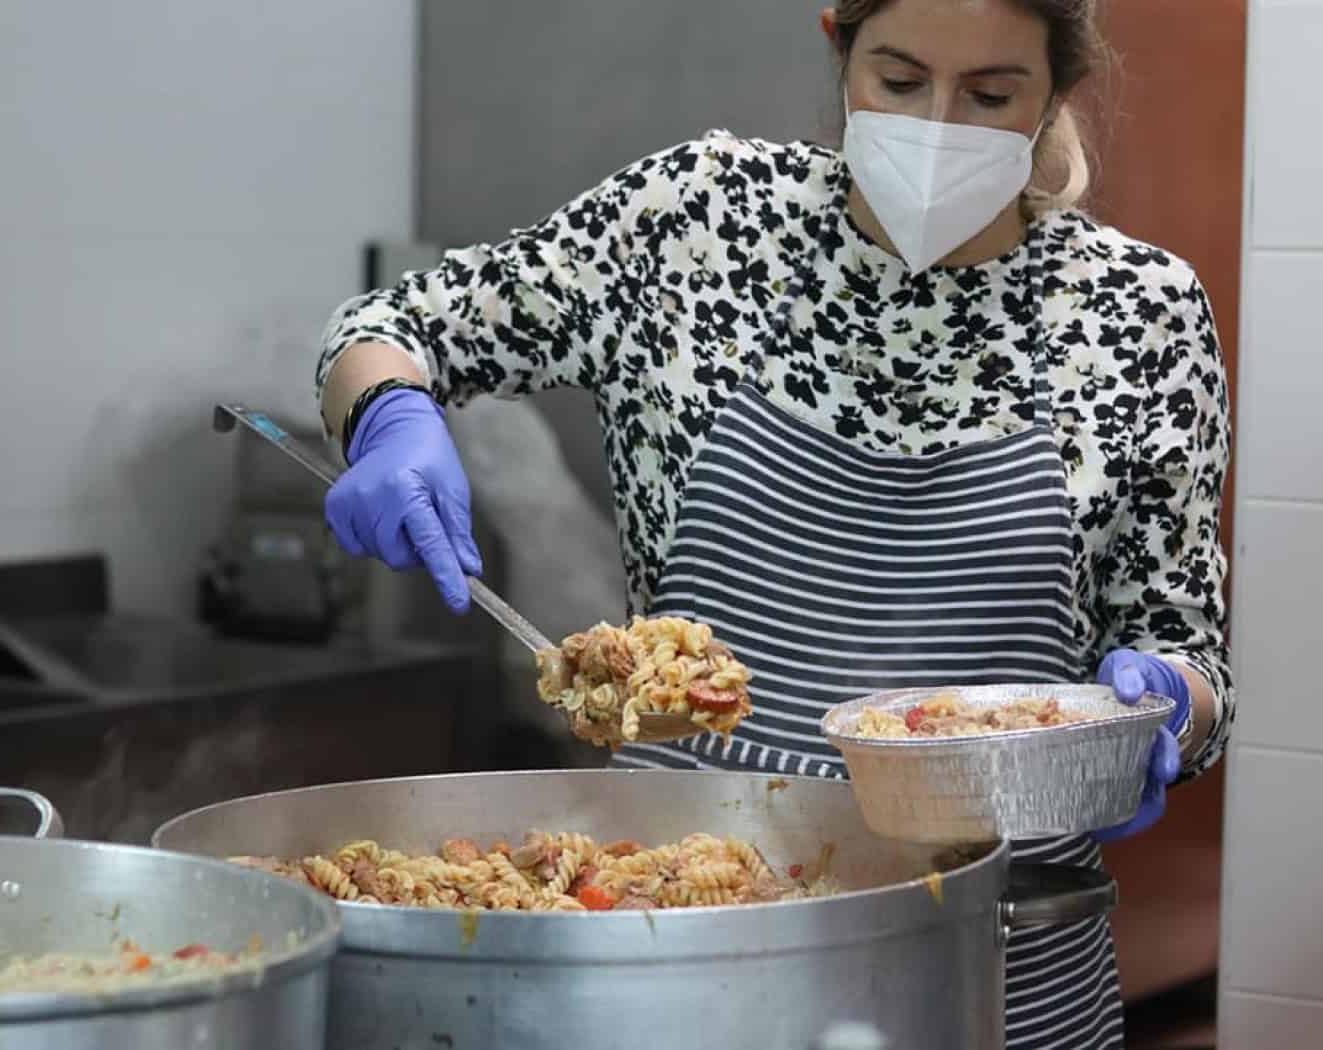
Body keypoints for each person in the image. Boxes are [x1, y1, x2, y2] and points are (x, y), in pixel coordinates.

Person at [312, 1, 1234, 1046]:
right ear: (837, 45)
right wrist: (389, 413)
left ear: (1054, 94)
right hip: (687, 945)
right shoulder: (696, 221)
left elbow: (1184, 651)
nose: (936, 126)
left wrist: (1163, 710)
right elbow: (395, 325)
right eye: (896, 79)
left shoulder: (1136, 312)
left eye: (988, 95)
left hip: (1001, 960)